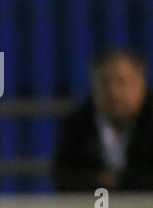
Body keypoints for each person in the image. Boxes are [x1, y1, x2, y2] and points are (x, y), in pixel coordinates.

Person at [52, 47, 153, 192]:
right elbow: (63, 176)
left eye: (121, 81)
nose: (113, 91)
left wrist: (119, 180)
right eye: (105, 82)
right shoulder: (79, 122)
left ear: (140, 82)